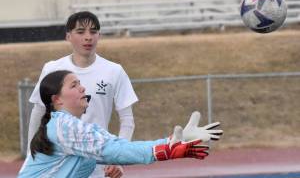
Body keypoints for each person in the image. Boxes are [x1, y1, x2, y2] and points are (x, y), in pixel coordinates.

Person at [18, 70, 223, 178]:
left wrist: (170, 142)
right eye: (74, 85)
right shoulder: (65, 126)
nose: (82, 88)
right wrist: (163, 151)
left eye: (80, 83)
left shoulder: (68, 127)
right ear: (57, 100)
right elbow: (113, 151)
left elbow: (118, 147)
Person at [27, 11, 138, 178]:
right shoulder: (52, 69)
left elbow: (127, 120)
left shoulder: (114, 71)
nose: (88, 37)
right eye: (80, 32)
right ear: (68, 36)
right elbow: (38, 113)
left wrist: (118, 158)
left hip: (98, 168)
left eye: (93, 32)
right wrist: (32, 156)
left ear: (99, 35)